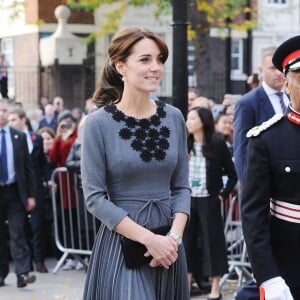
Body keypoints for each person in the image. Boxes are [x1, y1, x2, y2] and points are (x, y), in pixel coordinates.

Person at [81, 27, 191, 299]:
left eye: (159, 59)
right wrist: (149, 240)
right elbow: (94, 198)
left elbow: (181, 187)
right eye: (145, 59)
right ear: (121, 66)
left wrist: (172, 240)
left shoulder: (174, 118)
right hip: (122, 244)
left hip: (169, 245)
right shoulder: (98, 123)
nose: (155, 67)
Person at [241, 35, 300, 299]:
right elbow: (254, 215)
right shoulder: (267, 139)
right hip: (289, 267)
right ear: (287, 83)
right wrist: (268, 276)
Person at [184, 107, 237, 300]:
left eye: (192, 118)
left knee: (212, 243)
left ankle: (215, 288)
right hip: (188, 200)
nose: (188, 122)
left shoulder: (217, 144)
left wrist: (222, 195)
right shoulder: (185, 144)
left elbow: (232, 174)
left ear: (203, 122)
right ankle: (186, 286)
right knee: (187, 243)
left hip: (209, 200)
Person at [233, 46, 289, 184]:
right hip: (263, 181)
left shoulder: (293, 96)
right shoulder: (247, 103)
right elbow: (241, 149)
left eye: (281, 68)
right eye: (272, 68)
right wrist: (248, 187)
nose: (279, 73)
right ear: (261, 71)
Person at [0, 98, 36, 288]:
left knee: (17, 232)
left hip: (15, 192)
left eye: (4, 110)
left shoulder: (19, 136)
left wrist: (30, 195)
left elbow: (28, 169)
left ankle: (22, 273)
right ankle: (1, 273)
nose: (1, 114)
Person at [8, 108, 49, 273]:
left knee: (37, 225)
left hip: (36, 186)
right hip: (19, 189)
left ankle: (39, 260)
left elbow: (42, 163)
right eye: (9, 120)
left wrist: (48, 180)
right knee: (21, 227)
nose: (11, 123)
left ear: (23, 119)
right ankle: (27, 263)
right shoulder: (10, 138)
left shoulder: (36, 138)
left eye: (14, 119)